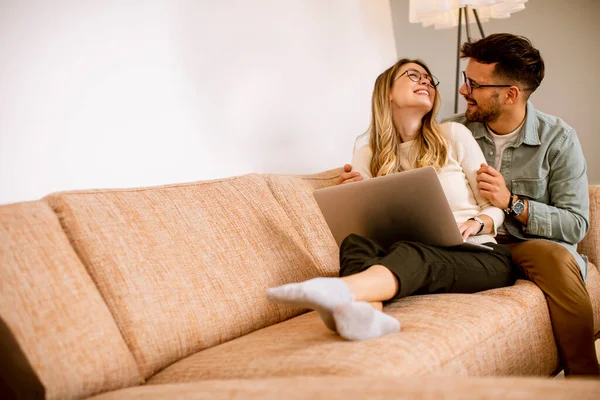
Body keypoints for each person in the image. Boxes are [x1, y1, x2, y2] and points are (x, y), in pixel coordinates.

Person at [267, 59, 516, 342]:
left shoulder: (454, 135)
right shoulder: (367, 154)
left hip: (481, 256)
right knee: (354, 243)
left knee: (414, 253)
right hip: (406, 256)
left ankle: (340, 292)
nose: (425, 82)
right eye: (413, 75)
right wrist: (348, 195)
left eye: (428, 78)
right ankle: (364, 315)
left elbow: (494, 206)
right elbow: (360, 226)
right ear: (387, 91)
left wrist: (477, 222)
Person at [446, 33, 598, 377]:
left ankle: (586, 380)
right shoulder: (453, 130)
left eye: (474, 83)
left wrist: (512, 204)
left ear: (511, 94)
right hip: (470, 245)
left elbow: (576, 224)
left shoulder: (558, 139)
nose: (463, 90)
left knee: (557, 256)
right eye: (465, 79)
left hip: (528, 246)